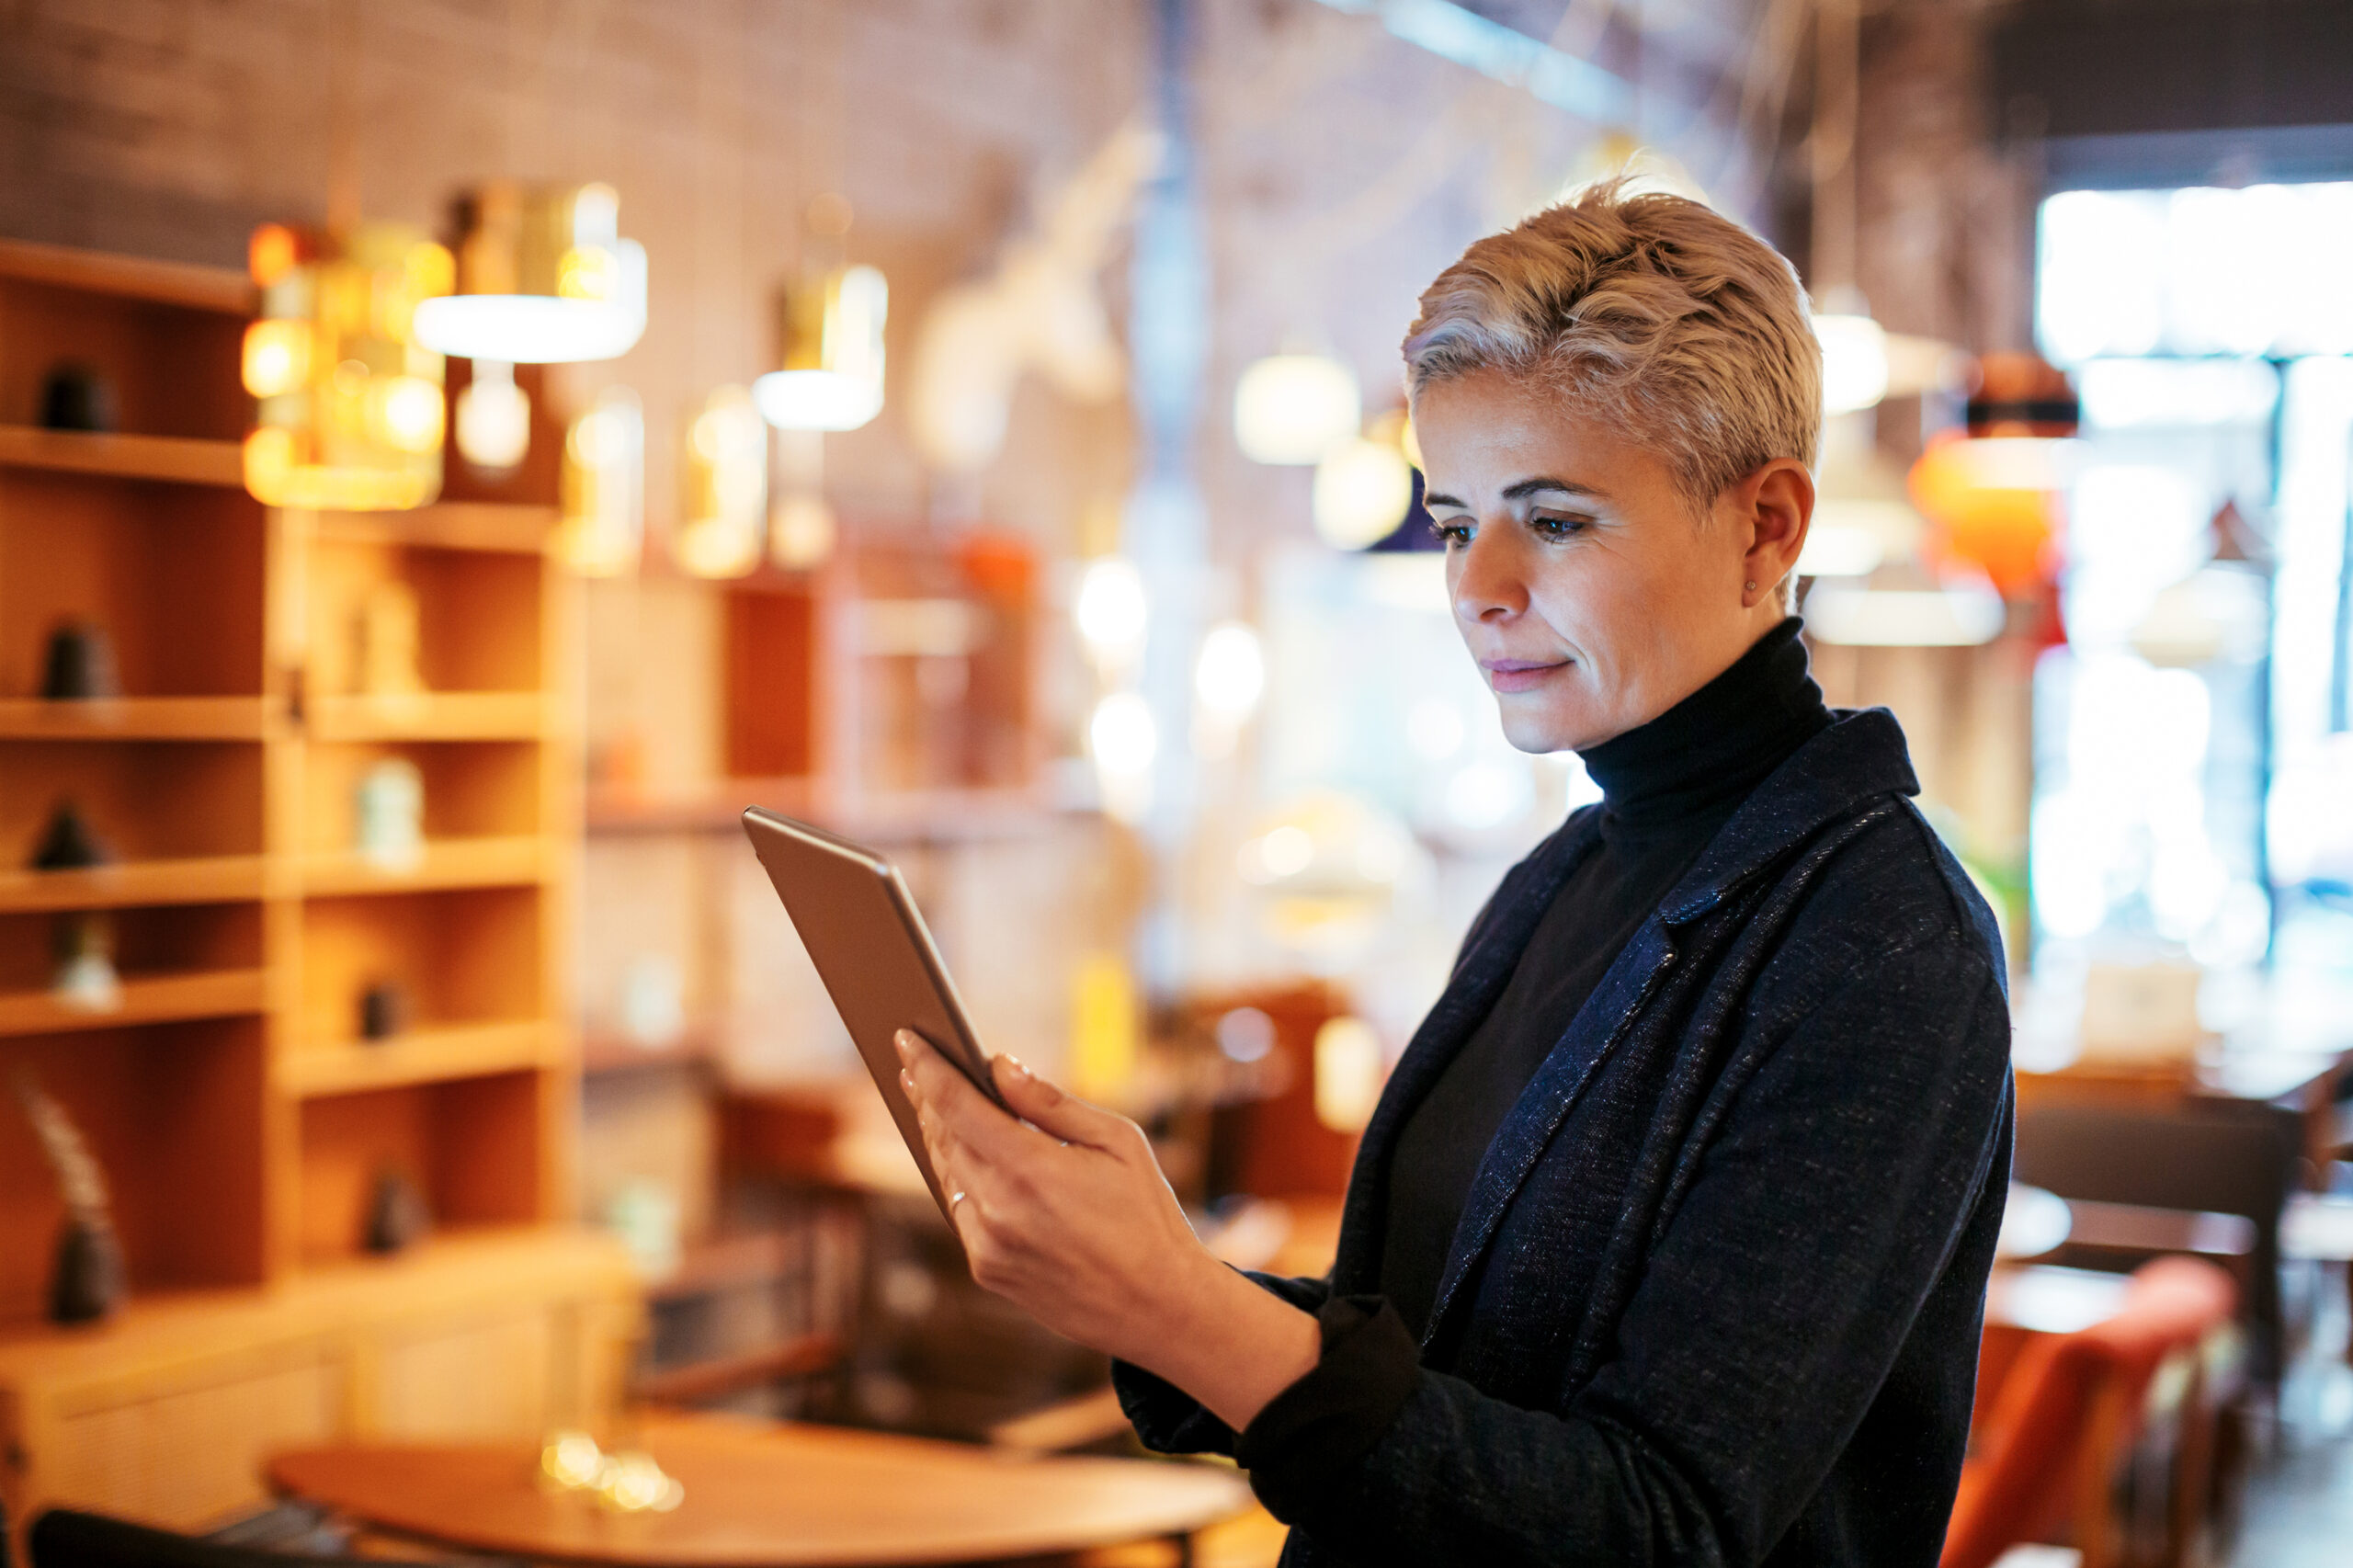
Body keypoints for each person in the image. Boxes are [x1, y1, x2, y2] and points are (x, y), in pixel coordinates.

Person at [894, 180, 2012, 1568]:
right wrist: (1152, 1274)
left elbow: (1661, 1529)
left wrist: (1184, 1310)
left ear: (1766, 526)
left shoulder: (1883, 942)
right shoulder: (1572, 866)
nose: (1477, 585)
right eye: (1452, 517)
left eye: (1552, 521)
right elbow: (1440, 1339)